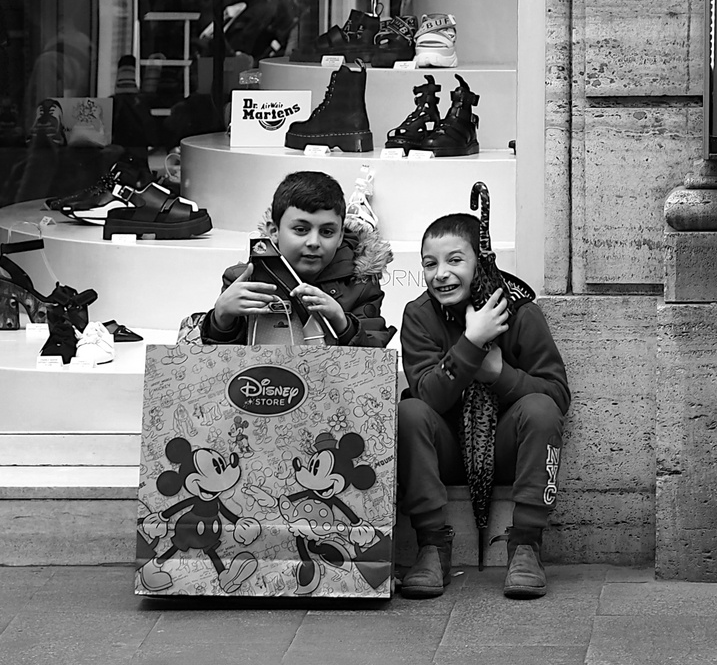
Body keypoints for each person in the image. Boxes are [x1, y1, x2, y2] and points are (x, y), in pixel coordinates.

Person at [397, 213, 569, 600]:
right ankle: (432, 546)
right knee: (409, 412)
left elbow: (557, 396)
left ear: (481, 261)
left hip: (507, 448)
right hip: (449, 452)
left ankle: (526, 545)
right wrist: (471, 344)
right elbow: (428, 396)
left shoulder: (521, 313)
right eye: (430, 263)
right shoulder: (420, 316)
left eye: (455, 260)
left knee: (540, 409)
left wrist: (498, 374)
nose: (441, 273)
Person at [199, 171, 393, 347]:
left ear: (340, 236)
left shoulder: (360, 284)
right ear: (274, 231)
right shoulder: (243, 280)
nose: (313, 242)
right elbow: (223, 364)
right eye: (301, 230)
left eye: (327, 232)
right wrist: (221, 319)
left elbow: (373, 362)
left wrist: (343, 323)